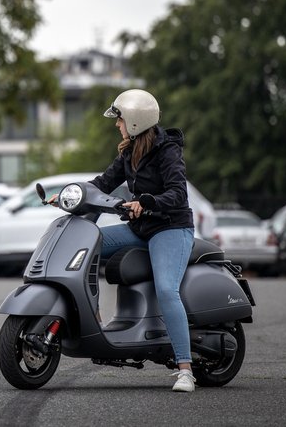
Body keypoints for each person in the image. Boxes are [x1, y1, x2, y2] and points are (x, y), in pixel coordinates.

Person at [89, 89, 197, 393]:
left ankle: (185, 369)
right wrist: (71, 193)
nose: (116, 124)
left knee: (166, 289)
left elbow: (178, 193)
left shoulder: (168, 151)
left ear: (135, 121)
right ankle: (95, 316)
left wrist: (146, 202)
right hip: (141, 229)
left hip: (170, 228)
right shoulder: (128, 152)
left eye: (120, 118)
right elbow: (102, 183)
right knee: (89, 243)